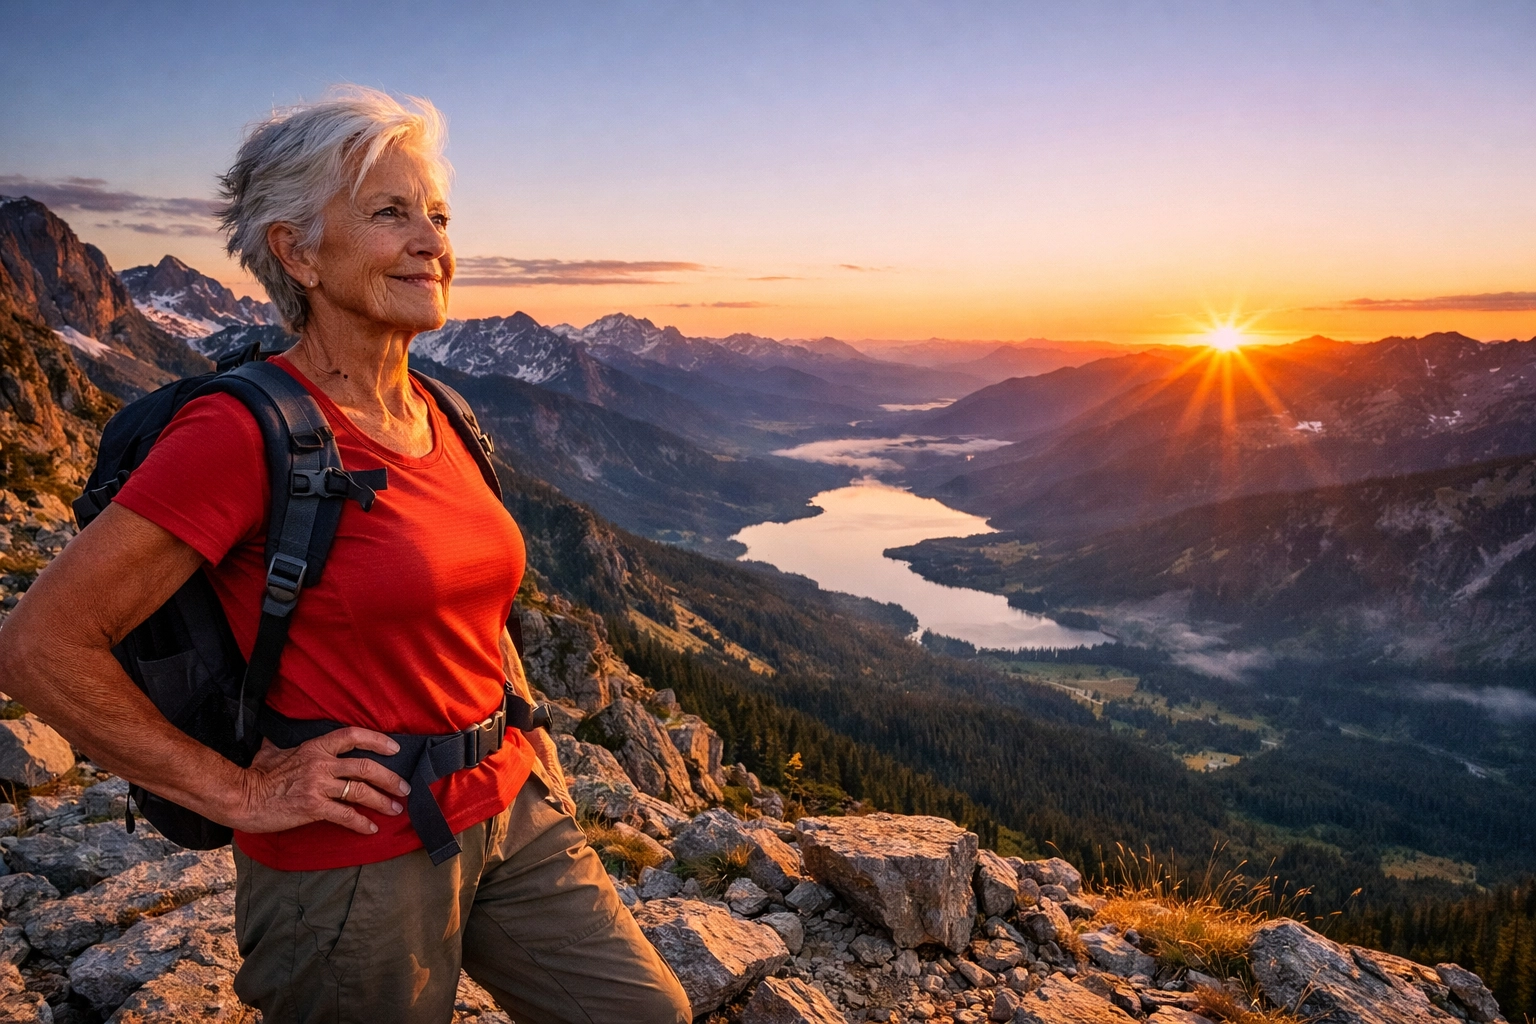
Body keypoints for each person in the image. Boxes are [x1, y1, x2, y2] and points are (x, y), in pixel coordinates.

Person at [0, 87, 691, 1024]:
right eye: (389, 213)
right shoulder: (241, 432)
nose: (431, 242)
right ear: (296, 251)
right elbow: (39, 647)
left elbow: (468, 610)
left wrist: (527, 748)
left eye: (438, 216)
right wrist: (239, 790)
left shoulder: (444, 412)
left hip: (507, 806)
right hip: (353, 859)